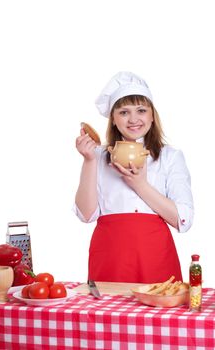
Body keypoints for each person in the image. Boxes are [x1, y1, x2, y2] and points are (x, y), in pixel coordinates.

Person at [74, 71, 194, 283]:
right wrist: (89, 161)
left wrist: (140, 185)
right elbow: (86, 215)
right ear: (113, 118)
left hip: (155, 257)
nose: (133, 119)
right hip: (110, 258)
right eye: (123, 112)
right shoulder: (98, 156)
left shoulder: (170, 157)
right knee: (107, 315)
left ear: (152, 115)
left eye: (141, 110)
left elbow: (183, 219)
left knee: (158, 315)